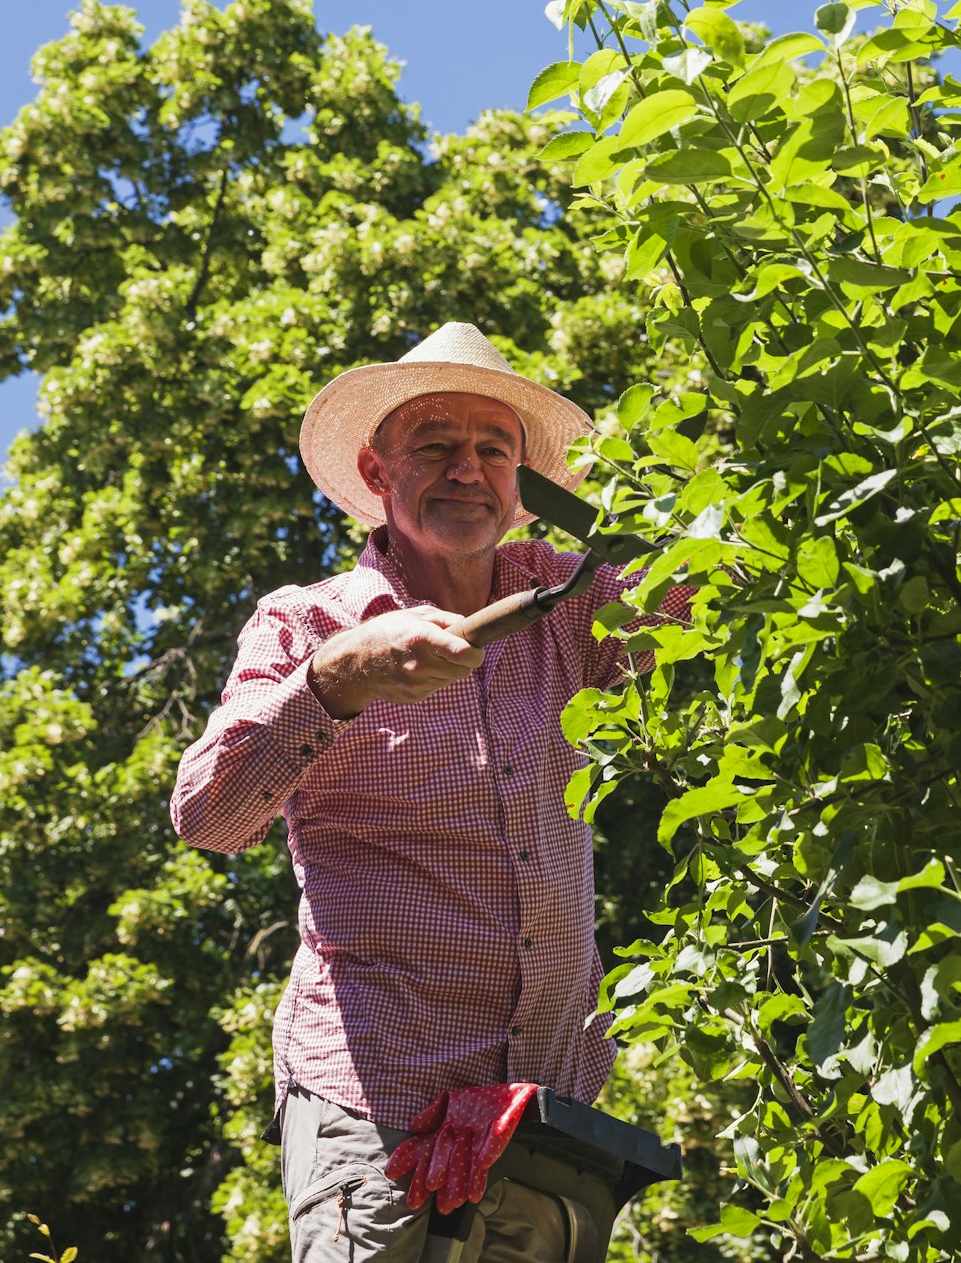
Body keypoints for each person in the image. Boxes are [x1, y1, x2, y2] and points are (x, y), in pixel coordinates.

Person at [171, 322, 680, 1261]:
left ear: (526, 485)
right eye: (436, 446)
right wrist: (334, 681)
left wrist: (676, 500)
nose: (468, 470)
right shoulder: (308, 622)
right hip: (383, 1109)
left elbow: (735, 599)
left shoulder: (569, 602)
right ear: (376, 472)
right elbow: (209, 817)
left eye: (496, 450)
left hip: (545, 1121)